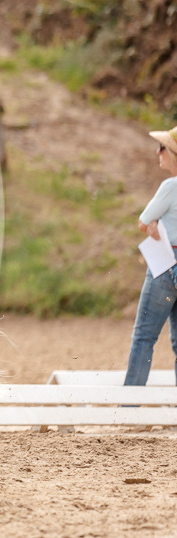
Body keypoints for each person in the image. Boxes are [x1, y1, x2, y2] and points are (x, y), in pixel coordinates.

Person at [122, 127, 177, 385]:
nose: (158, 152)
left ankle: (130, 404)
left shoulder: (170, 186)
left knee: (144, 337)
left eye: (163, 148)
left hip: (166, 265)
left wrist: (152, 226)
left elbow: (143, 222)